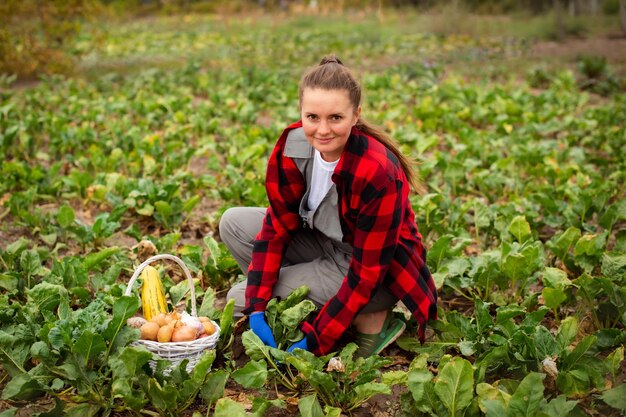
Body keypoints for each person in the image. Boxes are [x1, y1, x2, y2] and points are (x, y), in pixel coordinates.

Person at [219, 55, 437, 357]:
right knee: (232, 223)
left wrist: (317, 337)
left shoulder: (377, 172)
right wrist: (257, 307)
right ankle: (310, 294)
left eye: (335, 118)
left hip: (370, 270)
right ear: (301, 113)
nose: (322, 130)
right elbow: (277, 227)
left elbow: (366, 274)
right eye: (312, 117)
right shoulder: (292, 145)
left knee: (237, 296)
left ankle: (370, 316)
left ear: (355, 115)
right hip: (324, 241)